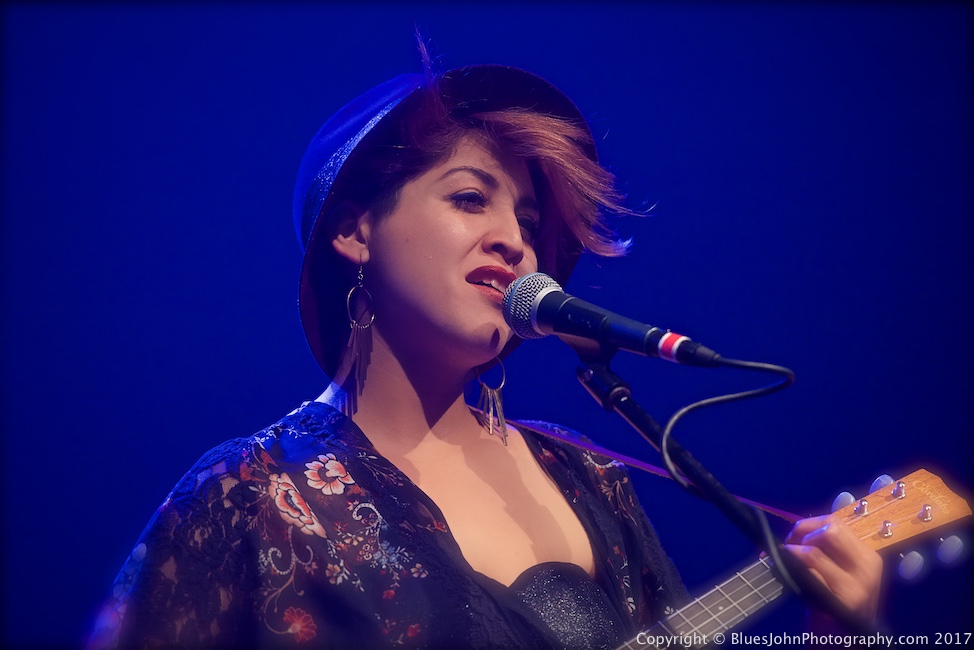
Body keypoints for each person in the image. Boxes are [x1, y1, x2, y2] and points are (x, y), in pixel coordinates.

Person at [89, 54, 882, 649]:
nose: (513, 240)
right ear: (354, 229)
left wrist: (842, 634)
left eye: (530, 225)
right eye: (471, 198)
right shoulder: (248, 495)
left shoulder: (590, 479)